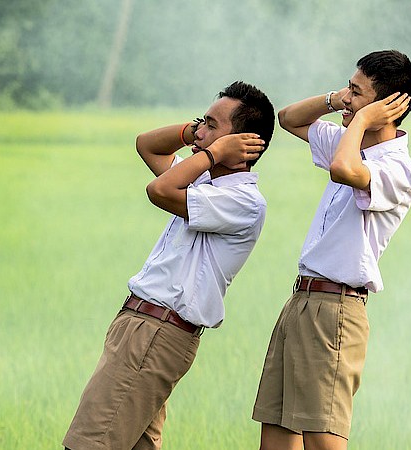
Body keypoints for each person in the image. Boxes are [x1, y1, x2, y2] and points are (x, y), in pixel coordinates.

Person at [63, 81, 274, 450]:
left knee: (89, 444)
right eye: (200, 122)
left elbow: (159, 191)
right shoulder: (203, 181)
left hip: (156, 332)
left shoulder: (242, 200)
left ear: (242, 142)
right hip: (144, 328)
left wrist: (213, 151)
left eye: (211, 124)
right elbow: (146, 143)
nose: (200, 132)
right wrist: (195, 134)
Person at [252, 50, 411, 450]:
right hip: (302, 301)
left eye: (356, 92)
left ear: (385, 107)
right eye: (348, 87)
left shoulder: (398, 168)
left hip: (336, 311)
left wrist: (361, 120)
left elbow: (343, 170)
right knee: (276, 432)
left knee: (322, 438)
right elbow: (289, 119)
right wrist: (336, 100)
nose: (347, 98)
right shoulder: (349, 143)